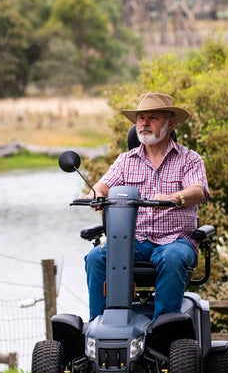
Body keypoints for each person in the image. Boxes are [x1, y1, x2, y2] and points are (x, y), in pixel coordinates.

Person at [85, 92, 210, 321]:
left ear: (170, 122)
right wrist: (94, 194)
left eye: (152, 118)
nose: (144, 123)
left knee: (172, 257)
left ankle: (164, 331)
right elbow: (102, 186)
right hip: (134, 240)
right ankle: (101, 327)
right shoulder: (125, 160)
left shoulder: (189, 159)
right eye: (141, 118)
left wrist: (175, 198)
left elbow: (198, 191)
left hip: (176, 239)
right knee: (96, 257)